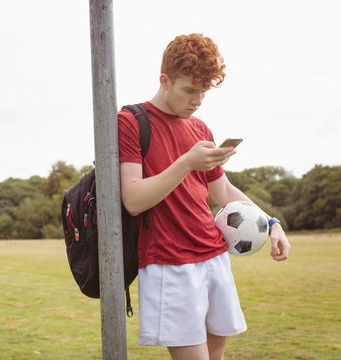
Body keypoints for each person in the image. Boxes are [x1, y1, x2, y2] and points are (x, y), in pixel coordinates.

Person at [118, 33, 291, 360]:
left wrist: (271, 222)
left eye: (204, 92)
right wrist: (187, 163)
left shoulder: (200, 129)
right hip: (170, 262)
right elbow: (133, 199)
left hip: (214, 255)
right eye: (189, 91)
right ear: (164, 80)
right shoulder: (130, 121)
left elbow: (223, 192)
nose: (197, 101)